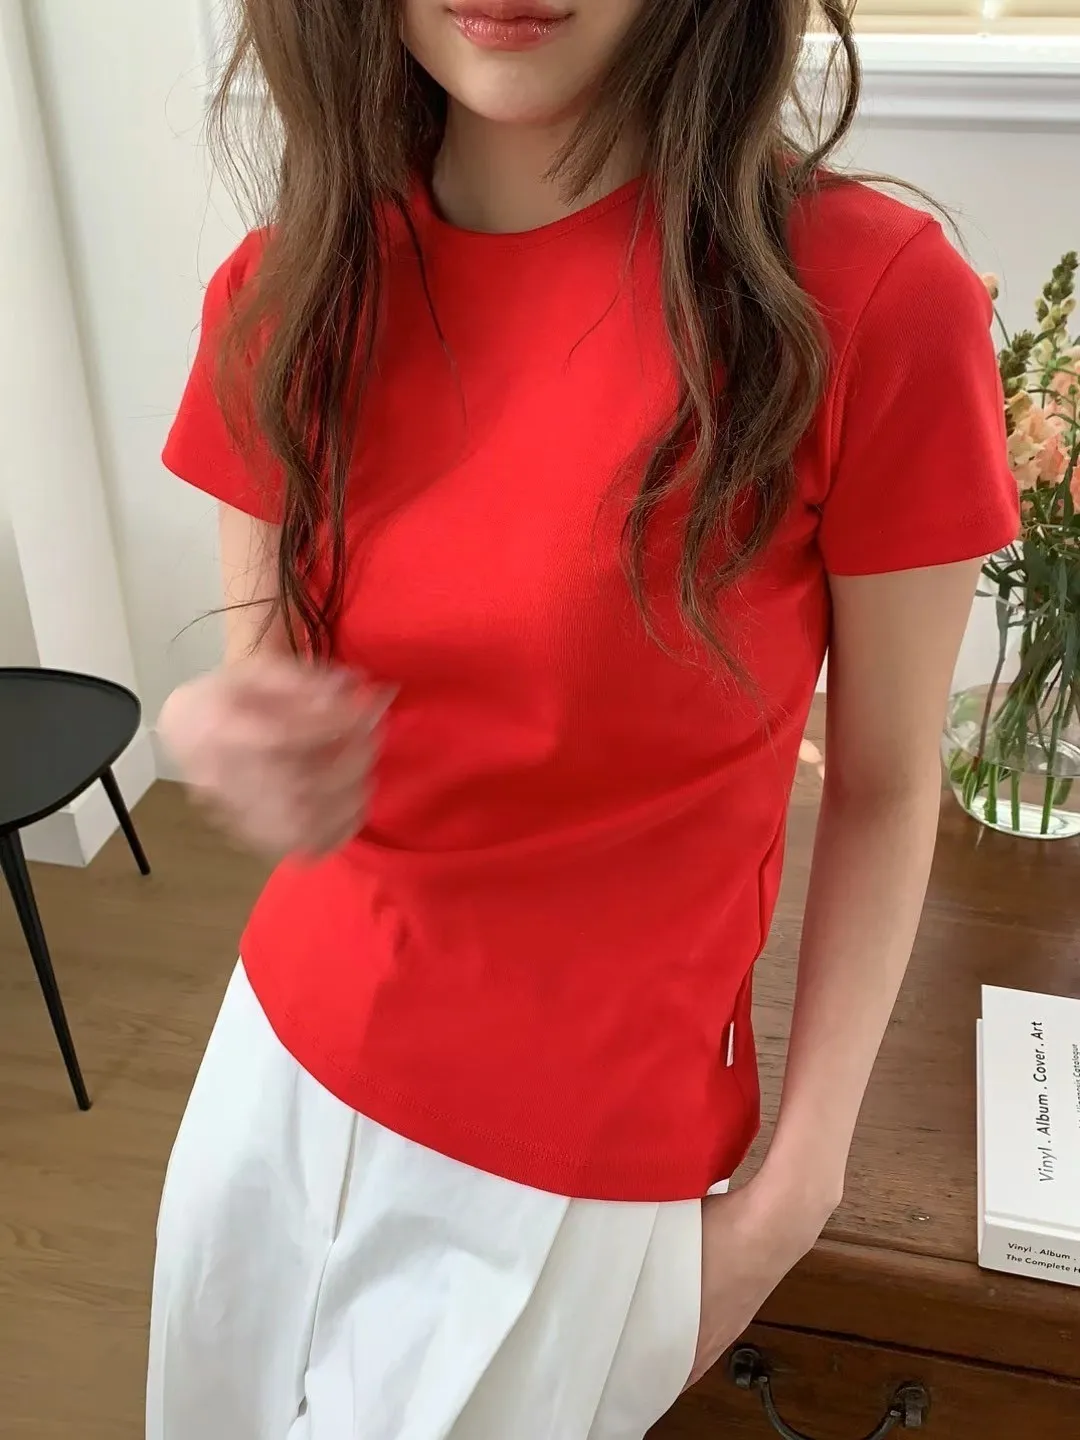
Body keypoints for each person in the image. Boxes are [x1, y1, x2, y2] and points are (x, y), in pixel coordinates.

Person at [149, 2, 1019, 1437]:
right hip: (276, 1075)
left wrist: (795, 1193)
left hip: (569, 1172)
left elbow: (882, 780)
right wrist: (222, 731)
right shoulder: (290, 281)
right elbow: (268, 684)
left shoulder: (864, 300)